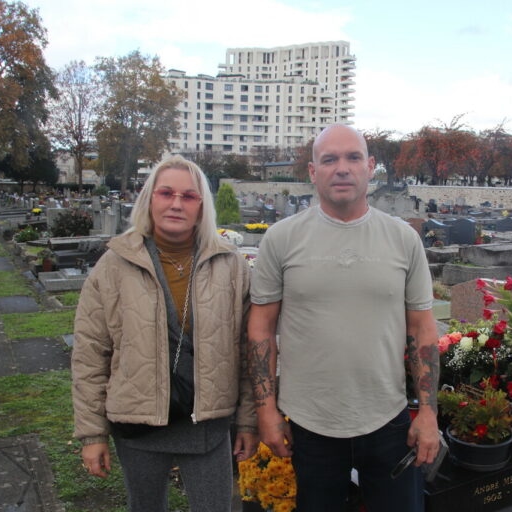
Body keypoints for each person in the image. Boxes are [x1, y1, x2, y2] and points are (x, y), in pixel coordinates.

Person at [247, 124, 440, 511]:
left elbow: (421, 329)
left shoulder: (403, 239)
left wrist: (429, 413)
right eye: (329, 159)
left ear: (370, 167)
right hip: (311, 423)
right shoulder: (281, 239)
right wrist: (266, 411)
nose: (342, 168)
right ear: (312, 171)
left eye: (353, 157)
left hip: (388, 420)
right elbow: (261, 327)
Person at [72, 155, 258, 512]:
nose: (176, 203)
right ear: (149, 199)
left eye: (188, 196)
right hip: (138, 423)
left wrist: (248, 422)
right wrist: (93, 433)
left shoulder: (230, 265)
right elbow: (91, 353)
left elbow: (247, 350)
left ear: (201, 206)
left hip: (206, 426)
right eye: (166, 193)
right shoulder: (114, 265)